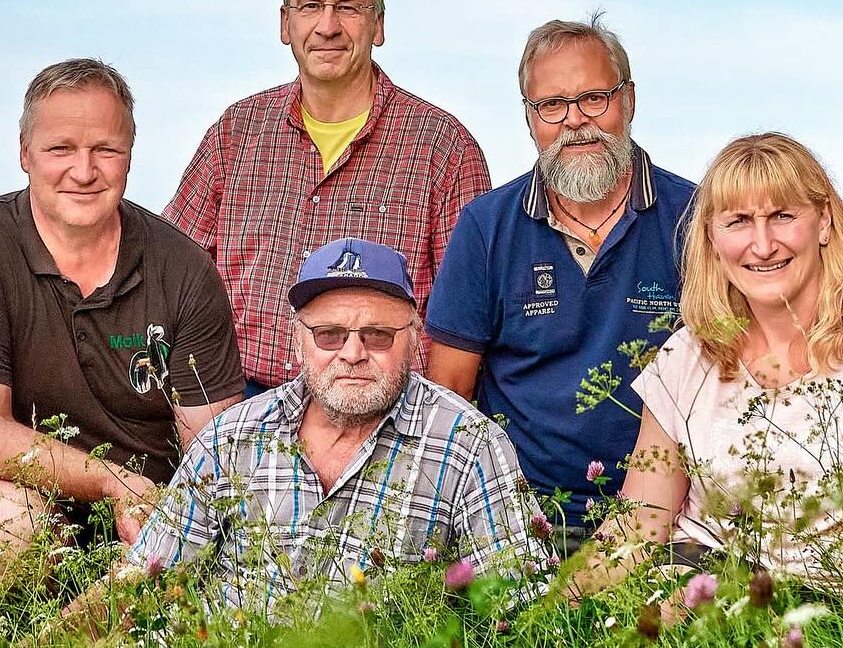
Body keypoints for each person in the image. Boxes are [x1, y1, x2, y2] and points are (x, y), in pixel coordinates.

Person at [0, 58, 245, 619]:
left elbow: (212, 449)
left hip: (149, 511)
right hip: (16, 490)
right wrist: (114, 483)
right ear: (25, 153)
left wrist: (170, 524)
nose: (84, 171)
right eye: (60, 149)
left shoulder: (184, 268)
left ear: (130, 154)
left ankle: (93, 644)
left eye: (105, 149)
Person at [573, 133, 843, 596]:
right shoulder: (685, 355)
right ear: (712, 238)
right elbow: (638, 525)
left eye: (782, 216)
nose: (762, 245)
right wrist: (547, 614)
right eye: (738, 221)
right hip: (706, 579)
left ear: (823, 222)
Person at [102, 238, 553, 616]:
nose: (353, 353)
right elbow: (144, 580)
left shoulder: (469, 444)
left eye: (378, 335)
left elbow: (523, 609)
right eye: (329, 335)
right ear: (298, 339)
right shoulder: (231, 437)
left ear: (415, 337)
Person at [164, 0, 490, 393]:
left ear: (378, 24)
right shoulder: (235, 134)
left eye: (348, 7)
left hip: (379, 407)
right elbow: (171, 270)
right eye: (310, 5)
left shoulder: (444, 148)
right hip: (237, 404)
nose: (328, 26)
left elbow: (464, 322)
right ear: (285, 23)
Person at [425, 15, 694, 553]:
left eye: (594, 98)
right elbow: (449, 394)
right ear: (530, 118)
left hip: (666, 520)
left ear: (629, 100)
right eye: (552, 105)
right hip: (523, 518)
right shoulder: (486, 227)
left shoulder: (696, 217)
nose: (576, 121)